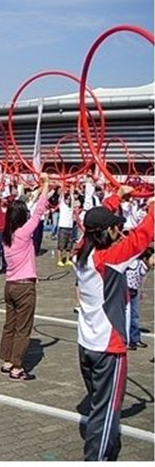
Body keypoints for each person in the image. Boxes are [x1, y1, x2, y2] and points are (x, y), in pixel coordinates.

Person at [75, 186, 153, 461]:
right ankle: (96, 459)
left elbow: (95, 220)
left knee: (99, 404)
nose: (119, 232)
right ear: (105, 233)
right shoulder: (109, 260)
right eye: (115, 229)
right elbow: (142, 238)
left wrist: (117, 197)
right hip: (108, 348)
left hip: (87, 344)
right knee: (107, 411)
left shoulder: (81, 251)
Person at [0, 174, 51, 381]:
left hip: (10, 285)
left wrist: (33, 190)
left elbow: (30, 209)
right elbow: (38, 212)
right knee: (23, 328)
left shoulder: (7, 236)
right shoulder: (23, 233)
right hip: (24, 287)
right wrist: (46, 185)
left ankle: (7, 360)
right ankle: (17, 367)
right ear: (22, 217)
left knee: (10, 324)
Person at [125, 246, 153, 350]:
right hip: (126, 290)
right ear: (145, 258)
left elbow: (142, 278)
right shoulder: (135, 262)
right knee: (126, 316)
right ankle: (127, 340)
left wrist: (142, 290)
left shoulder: (145, 267)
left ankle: (135, 339)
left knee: (135, 316)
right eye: (152, 258)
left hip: (134, 291)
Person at [57, 185, 75, 267]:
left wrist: (72, 192)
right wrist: (63, 189)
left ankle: (67, 259)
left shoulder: (71, 208)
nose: (68, 201)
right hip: (63, 227)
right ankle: (59, 260)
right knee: (61, 245)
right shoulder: (62, 205)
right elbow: (61, 198)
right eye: (67, 199)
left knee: (69, 245)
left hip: (70, 227)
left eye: (69, 200)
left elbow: (73, 199)